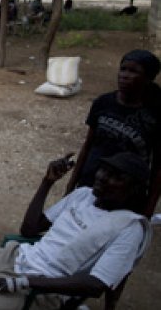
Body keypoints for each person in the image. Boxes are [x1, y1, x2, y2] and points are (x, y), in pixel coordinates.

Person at [0, 152, 153, 310]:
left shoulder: (129, 227)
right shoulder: (83, 195)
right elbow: (30, 228)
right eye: (104, 170)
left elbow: (95, 285)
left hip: (44, 288)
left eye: (115, 177)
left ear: (133, 190)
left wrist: (23, 282)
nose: (102, 177)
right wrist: (47, 182)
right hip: (17, 257)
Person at [66, 50, 161, 218]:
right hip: (91, 183)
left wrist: (147, 212)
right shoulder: (103, 103)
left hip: (125, 195)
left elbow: (157, 170)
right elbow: (88, 146)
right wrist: (70, 186)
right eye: (123, 69)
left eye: (133, 71)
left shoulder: (154, 116)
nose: (124, 75)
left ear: (148, 78)